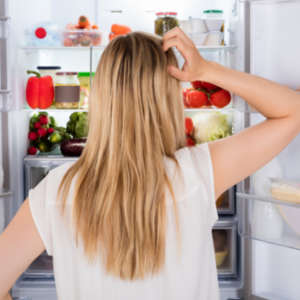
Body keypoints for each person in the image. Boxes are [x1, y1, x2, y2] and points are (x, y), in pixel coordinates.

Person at [1, 28, 300, 300]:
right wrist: (208, 69)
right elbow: (292, 112)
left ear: (102, 98)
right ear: (168, 98)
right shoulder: (198, 172)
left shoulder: (54, 192)